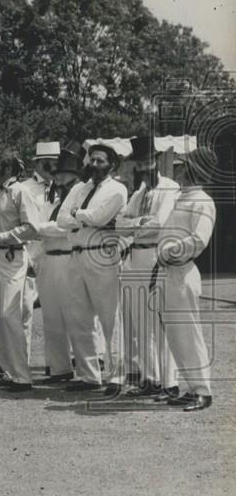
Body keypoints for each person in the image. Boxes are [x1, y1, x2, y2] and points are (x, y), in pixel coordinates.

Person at [57, 141, 128, 395]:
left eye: (100, 160)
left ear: (111, 164)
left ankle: (117, 377)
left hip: (102, 257)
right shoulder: (79, 187)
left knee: (110, 318)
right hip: (76, 256)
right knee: (78, 318)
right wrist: (83, 216)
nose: (94, 165)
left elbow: (101, 217)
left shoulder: (117, 190)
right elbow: (60, 219)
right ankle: (89, 375)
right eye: (92, 160)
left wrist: (79, 215)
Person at [116, 135, 180, 396]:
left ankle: (170, 382)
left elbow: (160, 223)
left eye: (146, 162)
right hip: (134, 258)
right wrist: (137, 223)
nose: (143, 168)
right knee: (140, 323)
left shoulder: (170, 188)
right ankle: (150, 378)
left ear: (155, 160)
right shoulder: (139, 192)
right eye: (138, 164)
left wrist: (136, 223)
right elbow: (119, 223)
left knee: (159, 323)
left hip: (155, 257)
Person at [155, 147, 217, 411]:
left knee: (188, 333)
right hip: (167, 272)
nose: (177, 170)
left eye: (182, 166)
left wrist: (169, 252)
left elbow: (199, 240)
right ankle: (189, 388)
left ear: (194, 170)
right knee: (175, 335)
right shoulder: (180, 199)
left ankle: (202, 390)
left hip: (182, 271)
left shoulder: (202, 200)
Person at [33, 144, 100, 384]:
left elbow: (64, 227)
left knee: (77, 318)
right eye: (58, 176)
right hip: (48, 260)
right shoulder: (51, 202)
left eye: (65, 177)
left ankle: (89, 373)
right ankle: (59, 368)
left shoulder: (80, 200)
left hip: (69, 257)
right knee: (51, 317)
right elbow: (43, 227)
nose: (60, 181)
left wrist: (42, 229)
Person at [0, 152, 42, 391]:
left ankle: (22, 375)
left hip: (12, 255)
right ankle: (9, 372)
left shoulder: (20, 192)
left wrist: (4, 237)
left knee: (9, 314)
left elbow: (32, 227)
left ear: (9, 170)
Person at [21, 141, 61, 350]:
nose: (54, 166)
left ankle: (56, 361)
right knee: (24, 309)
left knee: (59, 308)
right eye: (49, 162)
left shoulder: (65, 187)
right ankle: (20, 360)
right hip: (31, 250)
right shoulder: (25, 189)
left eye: (57, 162)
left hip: (57, 251)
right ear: (39, 163)